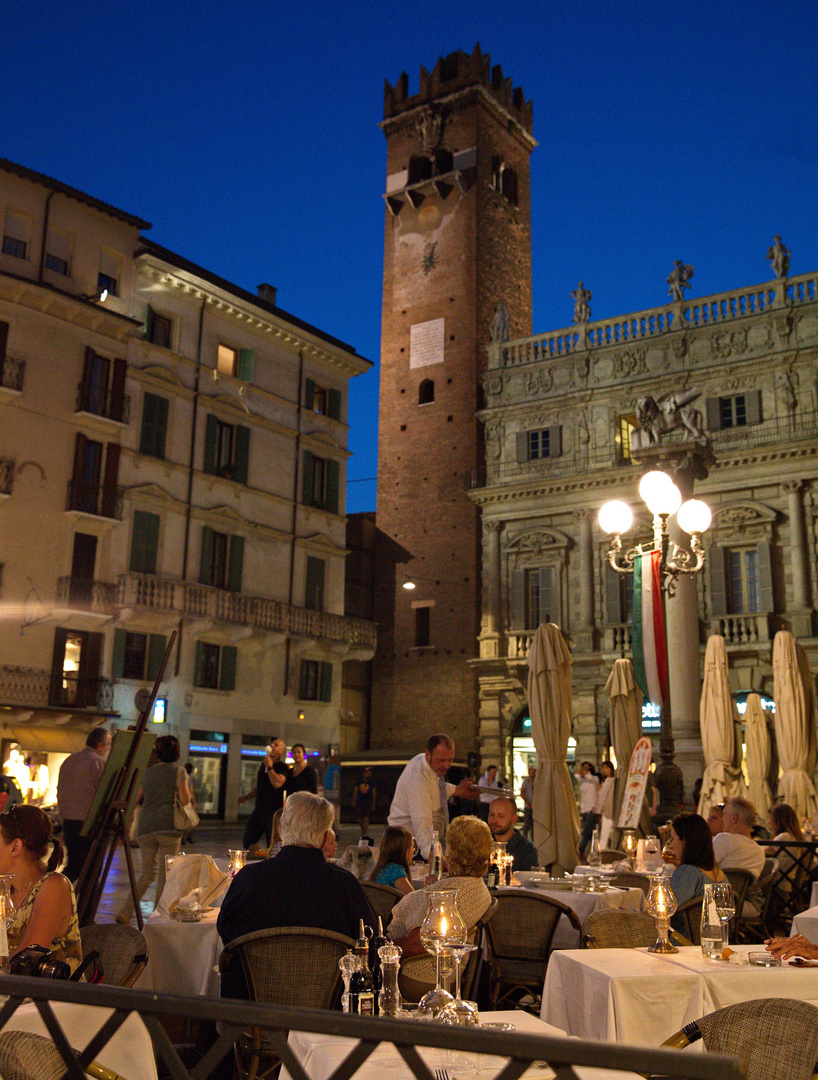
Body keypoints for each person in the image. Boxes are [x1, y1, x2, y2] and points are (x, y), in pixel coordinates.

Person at [217, 792, 374, 999]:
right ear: (326, 837)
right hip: (326, 1013)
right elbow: (370, 942)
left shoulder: (247, 879)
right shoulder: (344, 885)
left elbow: (226, 932)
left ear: (281, 831)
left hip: (253, 1012)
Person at [387, 815, 493, 982]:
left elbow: (417, 942)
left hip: (417, 973)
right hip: (453, 973)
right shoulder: (478, 887)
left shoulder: (445, 895)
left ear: (450, 850)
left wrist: (381, 950)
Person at [116, 735, 191, 924]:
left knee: (147, 873)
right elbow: (185, 800)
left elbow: (136, 798)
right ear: (177, 751)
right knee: (165, 875)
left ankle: (126, 912)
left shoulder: (148, 772)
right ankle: (159, 917)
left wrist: (126, 823)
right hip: (168, 827)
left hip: (146, 827)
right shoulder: (179, 770)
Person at [0, 803, 82, 973]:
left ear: (15, 847)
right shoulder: (5, 890)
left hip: (52, 994)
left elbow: (25, 959)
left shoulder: (53, 886)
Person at [387, 735, 479, 861]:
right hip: (409, 849)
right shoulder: (419, 782)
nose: (446, 765)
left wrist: (458, 790)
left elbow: (435, 788)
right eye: (441, 760)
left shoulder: (426, 765)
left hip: (419, 845)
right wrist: (436, 858)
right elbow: (423, 828)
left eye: (450, 760)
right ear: (428, 755)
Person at [57, 726, 112, 882]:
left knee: (74, 865)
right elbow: (104, 793)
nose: (108, 749)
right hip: (89, 824)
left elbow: (60, 791)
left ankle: (58, 897)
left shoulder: (69, 760)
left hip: (69, 822)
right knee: (92, 872)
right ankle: (85, 906)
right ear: (101, 745)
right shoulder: (99, 763)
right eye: (107, 745)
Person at [663, 812, 726, 931]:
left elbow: (661, 912)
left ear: (685, 841)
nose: (670, 845)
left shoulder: (689, 872)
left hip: (679, 942)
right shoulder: (720, 874)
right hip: (710, 938)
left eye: (673, 838)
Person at [238, 739, 287, 851]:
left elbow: (277, 783)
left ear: (281, 751)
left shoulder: (281, 767)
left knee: (273, 843)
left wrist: (270, 767)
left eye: (276, 745)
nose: (272, 746)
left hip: (273, 812)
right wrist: (246, 797)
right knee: (248, 840)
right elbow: (259, 786)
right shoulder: (263, 766)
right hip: (259, 810)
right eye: (272, 744)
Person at [712, 796, 765, 880]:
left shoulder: (724, 839)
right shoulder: (759, 853)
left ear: (734, 818)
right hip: (744, 893)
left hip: (715, 892)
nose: (722, 819)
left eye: (725, 815)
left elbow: (701, 867)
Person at [487, 796, 537, 873]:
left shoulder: (526, 849)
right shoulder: (483, 845)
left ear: (514, 819)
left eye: (501, 816)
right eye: (492, 815)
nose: (494, 820)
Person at [766, 802, 803, 889]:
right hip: (787, 882)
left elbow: (763, 853)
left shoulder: (783, 838)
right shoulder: (792, 837)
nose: (768, 822)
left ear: (778, 820)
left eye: (770, 818)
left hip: (778, 885)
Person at [370, 825, 415, 895]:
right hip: (390, 906)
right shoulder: (396, 870)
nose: (413, 850)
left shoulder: (382, 868)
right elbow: (413, 898)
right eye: (413, 846)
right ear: (406, 850)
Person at [574, 762, 600, 858]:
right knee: (589, 833)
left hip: (592, 809)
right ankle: (589, 852)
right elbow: (576, 775)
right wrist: (582, 770)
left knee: (585, 832)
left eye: (586, 768)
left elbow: (590, 778)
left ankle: (580, 851)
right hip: (585, 809)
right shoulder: (583, 780)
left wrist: (586, 771)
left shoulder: (594, 779)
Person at [594, 761, 615, 849]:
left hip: (609, 810)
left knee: (605, 834)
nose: (604, 770)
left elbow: (603, 797)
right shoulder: (606, 781)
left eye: (606, 768)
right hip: (606, 810)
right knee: (604, 834)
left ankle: (603, 851)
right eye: (603, 768)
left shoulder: (611, 781)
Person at [354, 767, 376, 837]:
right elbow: (356, 791)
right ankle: (363, 829)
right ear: (364, 774)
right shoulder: (359, 782)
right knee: (359, 818)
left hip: (368, 801)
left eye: (369, 773)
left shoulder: (372, 783)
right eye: (367, 773)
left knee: (366, 817)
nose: (368, 775)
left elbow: (374, 794)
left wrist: (373, 804)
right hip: (360, 802)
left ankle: (365, 832)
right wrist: (354, 801)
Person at [322, 751, 341, 830]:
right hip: (326, 792)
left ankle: (335, 829)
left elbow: (337, 779)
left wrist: (336, 788)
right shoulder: (324, 769)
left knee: (334, 812)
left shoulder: (334, 768)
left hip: (333, 792)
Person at [182, 762, 197, 844]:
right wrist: (194, 802)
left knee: (183, 820)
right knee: (192, 820)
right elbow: (191, 791)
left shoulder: (181, 777)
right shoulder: (189, 778)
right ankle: (188, 836)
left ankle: (183, 837)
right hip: (188, 802)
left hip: (181, 802)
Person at [520, 765, 536, 839]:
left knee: (534, 824)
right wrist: (527, 803)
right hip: (528, 806)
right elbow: (522, 793)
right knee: (527, 823)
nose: (534, 774)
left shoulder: (537, 781)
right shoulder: (526, 782)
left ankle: (534, 838)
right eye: (532, 772)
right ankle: (525, 837)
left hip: (536, 807)